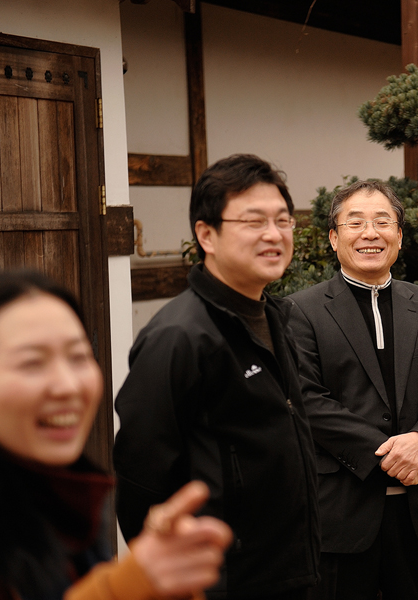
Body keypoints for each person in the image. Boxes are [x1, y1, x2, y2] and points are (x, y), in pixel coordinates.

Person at [0, 270, 232, 600]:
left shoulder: (67, 503)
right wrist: (133, 581)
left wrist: (169, 581)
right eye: (32, 363)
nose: (68, 386)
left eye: (79, 357)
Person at [113, 154, 320, 600]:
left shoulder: (277, 317)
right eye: (253, 221)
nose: (274, 234)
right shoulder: (179, 337)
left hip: (289, 571)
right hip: (222, 582)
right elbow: (141, 481)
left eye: (282, 220)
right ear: (206, 234)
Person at [288, 180, 418, 600]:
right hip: (342, 513)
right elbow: (306, 399)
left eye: (382, 222)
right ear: (334, 238)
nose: (370, 233)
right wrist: (389, 453)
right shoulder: (301, 310)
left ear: (399, 236)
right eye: (355, 223)